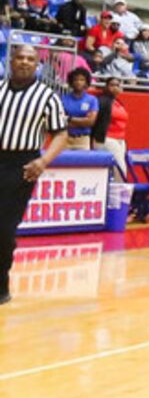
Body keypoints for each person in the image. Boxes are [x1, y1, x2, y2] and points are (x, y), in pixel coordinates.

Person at [0, 40, 69, 305]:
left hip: (22, 165)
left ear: (37, 65)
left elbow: (61, 134)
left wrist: (43, 161)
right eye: (20, 58)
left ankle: (1, 282)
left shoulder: (47, 96)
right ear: (12, 61)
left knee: (4, 228)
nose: (25, 62)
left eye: (30, 59)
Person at [93, 75, 129, 174]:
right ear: (106, 87)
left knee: (117, 168)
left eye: (117, 85)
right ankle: (120, 188)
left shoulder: (118, 102)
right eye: (112, 85)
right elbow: (96, 120)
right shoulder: (102, 101)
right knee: (120, 168)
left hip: (120, 140)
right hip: (107, 138)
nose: (115, 88)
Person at [60, 67, 98, 148]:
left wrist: (69, 118)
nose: (78, 82)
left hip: (83, 139)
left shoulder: (92, 100)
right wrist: (82, 121)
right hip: (64, 138)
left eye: (82, 80)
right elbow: (60, 120)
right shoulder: (63, 99)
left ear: (86, 82)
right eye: (76, 79)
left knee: (83, 161)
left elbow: (90, 122)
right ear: (71, 82)